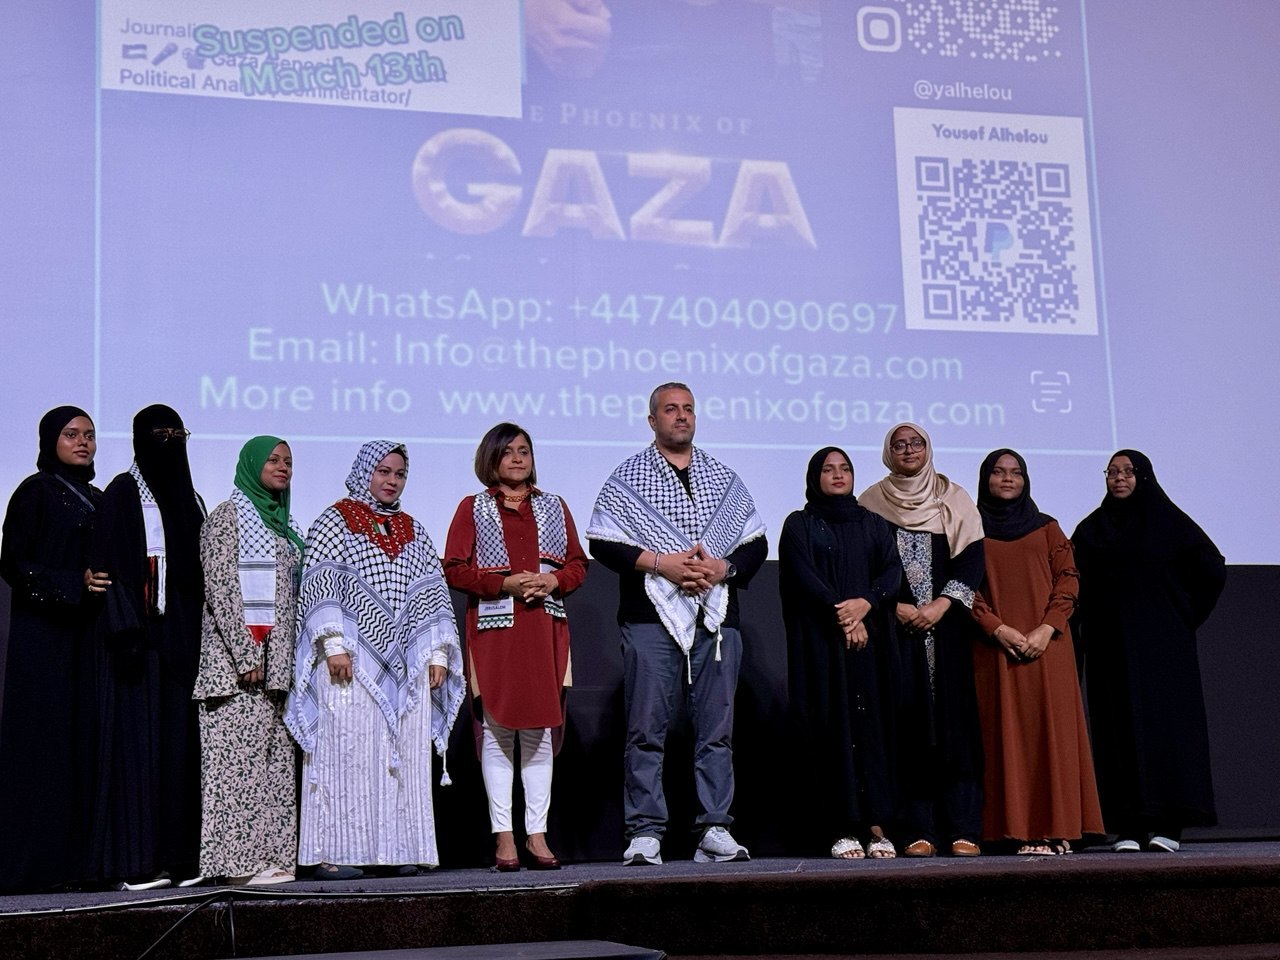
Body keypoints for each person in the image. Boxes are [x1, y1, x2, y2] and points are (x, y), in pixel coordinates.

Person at [587, 382, 767, 866]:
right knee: (646, 729)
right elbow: (602, 541)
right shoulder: (628, 478)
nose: (681, 416)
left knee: (717, 731)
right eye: (671, 409)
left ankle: (714, 828)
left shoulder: (723, 478)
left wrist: (723, 569)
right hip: (650, 617)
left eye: (688, 408)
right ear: (653, 420)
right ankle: (645, 831)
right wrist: (659, 562)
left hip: (717, 619)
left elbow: (755, 543)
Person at [285, 440, 464, 880]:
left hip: (407, 664)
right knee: (344, 754)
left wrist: (436, 652)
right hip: (348, 662)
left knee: (401, 756)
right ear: (366, 472)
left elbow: (432, 595)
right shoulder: (335, 520)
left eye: (399, 474)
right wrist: (333, 644)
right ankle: (331, 853)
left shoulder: (413, 529)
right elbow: (321, 583)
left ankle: (396, 848)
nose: (391, 481)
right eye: (383, 471)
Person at [444, 423, 589, 871]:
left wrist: (554, 580)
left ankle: (537, 834)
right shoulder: (472, 508)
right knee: (498, 732)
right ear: (490, 459)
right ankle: (504, 836)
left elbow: (578, 564)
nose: (518, 458)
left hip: (544, 630)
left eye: (524, 450)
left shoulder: (554, 506)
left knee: (540, 732)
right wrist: (501, 584)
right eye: (507, 452)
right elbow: (454, 568)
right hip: (495, 635)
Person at [1072, 450, 1226, 853]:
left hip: (1163, 651)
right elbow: (1073, 585)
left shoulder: (1170, 523)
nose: (1119, 479)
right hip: (1110, 650)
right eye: (1112, 472)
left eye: (1128, 472)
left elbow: (1212, 568)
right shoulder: (1091, 530)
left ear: (1144, 477)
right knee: (1116, 729)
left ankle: (1168, 824)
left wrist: (1183, 616)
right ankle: (1127, 825)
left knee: (1166, 732)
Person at [88, 404, 206, 889]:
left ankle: (179, 859)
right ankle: (137, 863)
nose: (169, 443)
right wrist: (128, 635)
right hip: (135, 648)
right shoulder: (121, 492)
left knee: (178, 755)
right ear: (140, 440)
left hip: (183, 647)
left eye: (177, 434)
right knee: (138, 755)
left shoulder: (191, 499)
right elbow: (107, 569)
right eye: (160, 435)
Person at [859, 422, 985, 858]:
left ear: (928, 448)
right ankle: (918, 830)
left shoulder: (954, 498)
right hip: (895, 634)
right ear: (888, 452)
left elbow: (972, 563)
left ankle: (964, 827)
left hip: (948, 631)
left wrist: (941, 606)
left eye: (916, 443)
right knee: (906, 726)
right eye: (899, 444)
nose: (908, 450)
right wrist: (894, 606)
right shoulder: (871, 502)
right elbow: (864, 566)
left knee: (955, 726)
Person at [970, 449, 1103, 855]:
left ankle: (1056, 828)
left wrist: (1048, 628)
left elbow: (1069, 579)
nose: (1007, 479)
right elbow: (963, 588)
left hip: (1048, 647)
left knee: (1051, 737)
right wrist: (997, 628)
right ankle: (1011, 831)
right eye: (998, 472)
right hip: (996, 650)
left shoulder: (1047, 528)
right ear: (986, 479)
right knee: (1004, 738)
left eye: (1016, 473)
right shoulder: (969, 527)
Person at [0, 406, 106, 893]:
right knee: (43, 749)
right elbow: (13, 563)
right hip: (43, 642)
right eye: (71, 434)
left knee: (83, 748)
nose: (82, 442)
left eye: (89, 435)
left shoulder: (99, 498)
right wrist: (70, 583)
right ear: (50, 440)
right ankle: (33, 869)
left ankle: (79, 866)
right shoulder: (35, 492)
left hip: (88, 640)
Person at [778, 447, 901, 860]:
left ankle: (877, 824)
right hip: (822, 646)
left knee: (872, 730)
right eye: (828, 469)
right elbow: (803, 577)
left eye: (844, 468)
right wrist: (846, 616)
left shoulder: (873, 523)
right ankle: (840, 826)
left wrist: (867, 603)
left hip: (869, 646)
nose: (838, 475)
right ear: (815, 476)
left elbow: (891, 572)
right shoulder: (799, 524)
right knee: (830, 727)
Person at [194, 436, 304, 884]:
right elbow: (221, 589)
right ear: (252, 464)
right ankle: (237, 867)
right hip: (235, 668)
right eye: (273, 460)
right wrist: (245, 653)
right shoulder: (227, 517)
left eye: (288, 461)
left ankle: (272, 860)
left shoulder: (284, 523)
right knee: (235, 771)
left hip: (275, 669)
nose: (282, 467)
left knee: (273, 769)